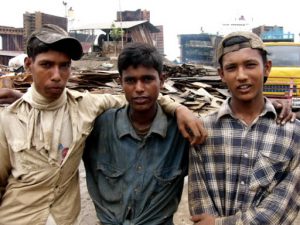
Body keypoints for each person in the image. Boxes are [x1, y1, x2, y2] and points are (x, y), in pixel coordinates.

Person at [0, 24, 205, 225]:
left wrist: (179, 109)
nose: (56, 75)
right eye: (46, 65)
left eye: (64, 65)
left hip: (64, 218)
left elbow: (137, 97)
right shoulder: (8, 119)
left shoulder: (86, 107)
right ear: (28, 65)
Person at [188, 31, 300, 225]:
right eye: (231, 68)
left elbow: (280, 208)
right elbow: (200, 204)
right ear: (221, 74)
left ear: (266, 68)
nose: (241, 76)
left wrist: (219, 224)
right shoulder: (203, 130)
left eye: (250, 65)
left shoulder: (292, 133)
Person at [83, 42, 190, 225]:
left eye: (147, 79)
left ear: (162, 80)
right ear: (120, 82)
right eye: (131, 80)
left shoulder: (181, 131)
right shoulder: (99, 126)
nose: (139, 88)